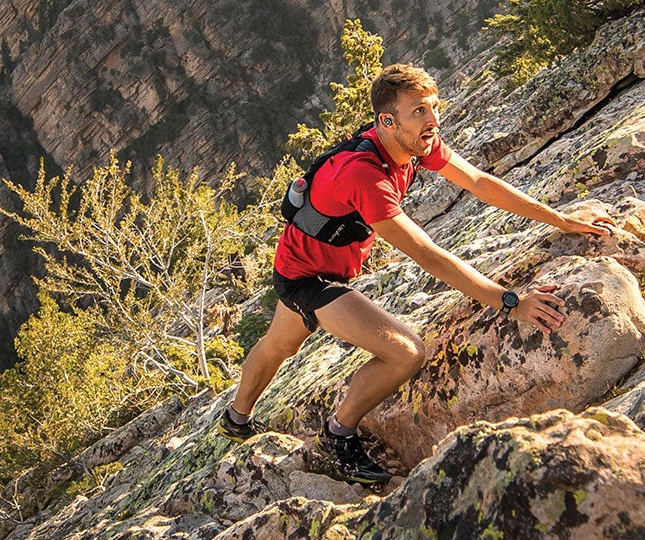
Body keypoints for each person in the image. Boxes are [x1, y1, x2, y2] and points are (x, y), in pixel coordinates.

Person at [222, 60, 619, 485]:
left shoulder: (414, 143)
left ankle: (235, 418)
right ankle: (337, 436)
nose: (433, 120)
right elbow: (429, 256)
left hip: (311, 266)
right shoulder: (364, 175)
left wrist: (561, 220)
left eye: (433, 107)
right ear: (386, 121)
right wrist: (513, 302)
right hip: (306, 277)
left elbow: (479, 182)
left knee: (280, 345)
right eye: (419, 111)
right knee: (406, 352)